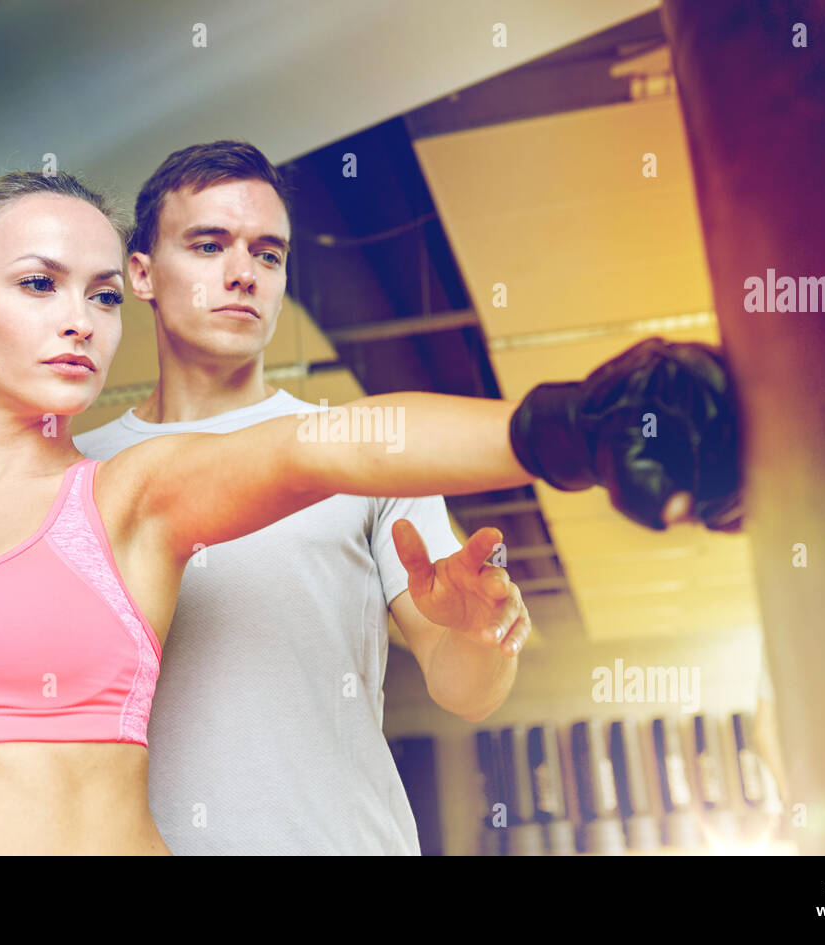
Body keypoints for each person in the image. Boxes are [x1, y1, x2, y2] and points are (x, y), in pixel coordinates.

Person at [0, 169, 741, 857]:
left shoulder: (125, 496)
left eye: (101, 298)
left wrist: (567, 428)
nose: (79, 321)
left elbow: (327, 444)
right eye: (39, 284)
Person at [72, 141, 528, 854]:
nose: (241, 274)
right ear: (141, 273)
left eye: (267, 254)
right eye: (208, 244)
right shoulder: (76, 472)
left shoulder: (364, 453)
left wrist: (477, 636)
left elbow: (466, 689)